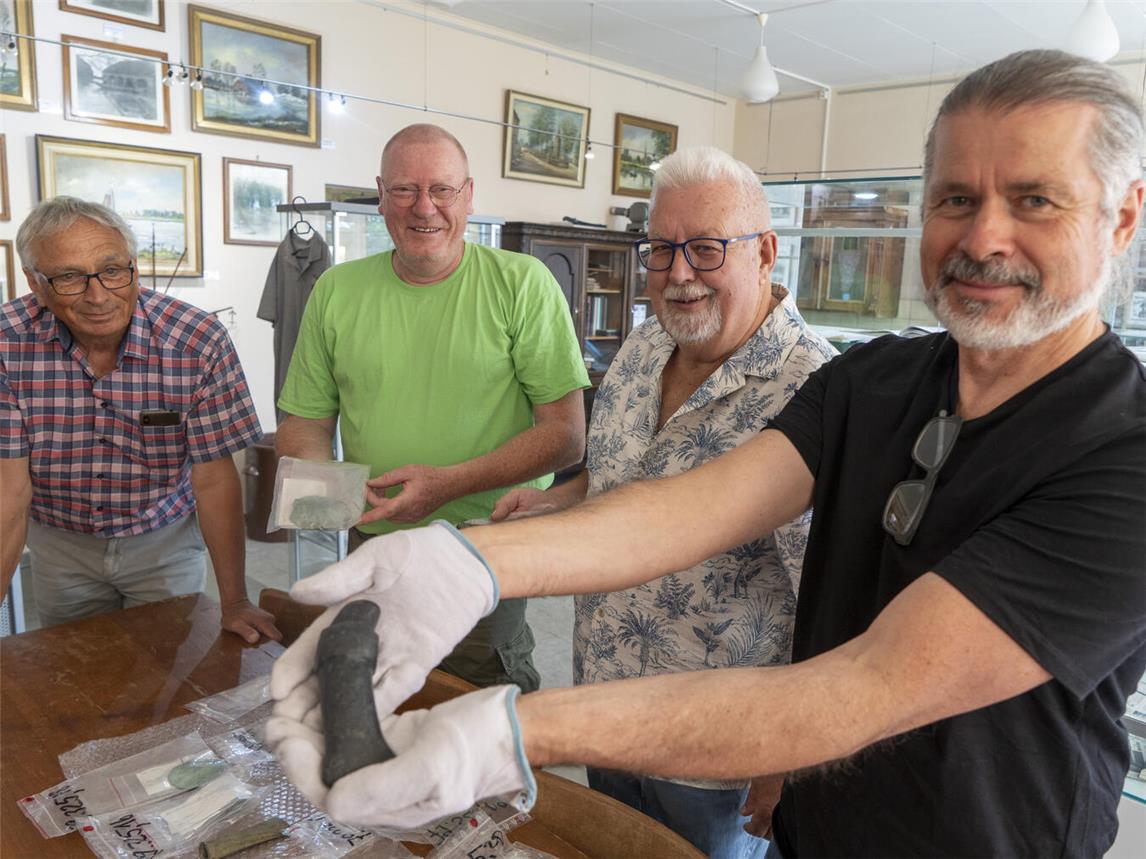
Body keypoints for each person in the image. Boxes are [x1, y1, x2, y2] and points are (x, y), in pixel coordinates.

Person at [267, 50, 1146, 857]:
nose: (983, 237)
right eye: (955, 198)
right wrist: (463, 560)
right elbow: (689, 505)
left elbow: (863, 687)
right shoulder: (877, 380)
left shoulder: (1123, 455)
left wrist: (511, 729)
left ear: (1123, 217)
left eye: (1034, 198)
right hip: (822, 823)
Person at [490, 146, 835, 858]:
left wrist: (789, 752)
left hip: (715, 749)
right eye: (662, 250)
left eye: (706, 249)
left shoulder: (819, 390)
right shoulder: (647, 343)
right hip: (604, 696)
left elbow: (831, 597)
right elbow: (615, 471)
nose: (679, 274)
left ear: (765, 251)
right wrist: (556, 501)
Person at [275, 123, 589, 691]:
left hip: (484, 540)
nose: (425, 208)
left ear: (468, 195)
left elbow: (566, 435)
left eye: (442, 190)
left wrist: (450, 483)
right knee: (376, 687)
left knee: (480, 704)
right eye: (404, 190)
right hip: (376, 541)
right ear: (379, 194)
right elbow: (304, 422)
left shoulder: (523, 283)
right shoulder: (336, 290)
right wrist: (329, 513)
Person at [0, 197, 280, 643]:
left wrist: (235, 601)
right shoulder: (7, 345)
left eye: (113, 270)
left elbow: (214, 479)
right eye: (69, 277)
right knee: (73, 666)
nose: (98, 296)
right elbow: (9, 491)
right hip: (61, 542)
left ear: (134, 266)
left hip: (163, 538)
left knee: (168, 669)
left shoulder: (196, 342)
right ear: (35, 282)